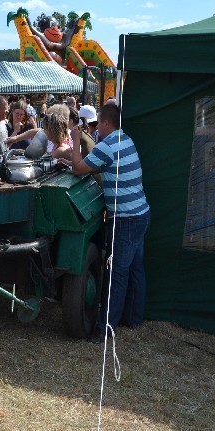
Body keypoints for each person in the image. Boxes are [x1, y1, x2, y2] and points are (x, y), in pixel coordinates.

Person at [69, 103, 151, 342]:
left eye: (99, 126)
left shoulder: (107, 145)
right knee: (135, 269)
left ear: (105, 123)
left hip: (126, 219)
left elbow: (77, 169)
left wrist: (75, 139)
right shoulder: (126, 140)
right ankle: (134, 318)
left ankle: (105, 329)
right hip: (141, 213)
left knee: (117, 274)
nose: (97, 131)